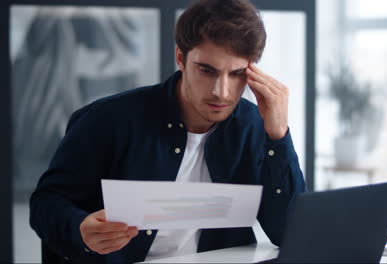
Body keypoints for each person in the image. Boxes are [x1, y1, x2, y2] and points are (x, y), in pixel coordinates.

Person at [29, 0, 305, 263]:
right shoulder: (108, 119)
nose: (221, 92)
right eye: (207, 71)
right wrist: (80, 230)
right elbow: (46, 204)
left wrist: (279, 136)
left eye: (236, 74)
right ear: (181, 58)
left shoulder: (255, 128)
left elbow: (288, 232)